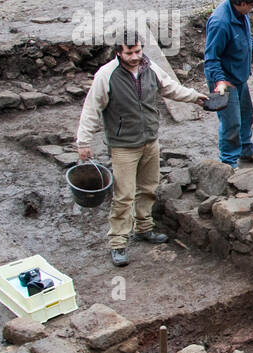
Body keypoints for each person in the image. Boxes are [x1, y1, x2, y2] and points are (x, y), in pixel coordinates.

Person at [76, 39, 206, 267]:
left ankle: (144, 229)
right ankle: (118, 243)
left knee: (148, 188)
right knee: (124, 195)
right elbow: (91, 109)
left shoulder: (150, 68)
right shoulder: (106, 75)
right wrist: (83, 142)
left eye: (138, 51)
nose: (135, 56)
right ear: (119, 52)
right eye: (129, 53)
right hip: (123, 145)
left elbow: (170, 89)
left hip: (149, 141)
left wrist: (195, 97)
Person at [204, 0, 253, 168]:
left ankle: (246, 151)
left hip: (239, 75)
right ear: (241, 3)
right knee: (231, 123)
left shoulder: (241, 13)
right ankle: (228, 164)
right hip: (224, 80)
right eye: (251, 5)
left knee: (245, 114)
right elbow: (211, 58)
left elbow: (245, 35)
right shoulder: (220, 23)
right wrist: (219, 81)